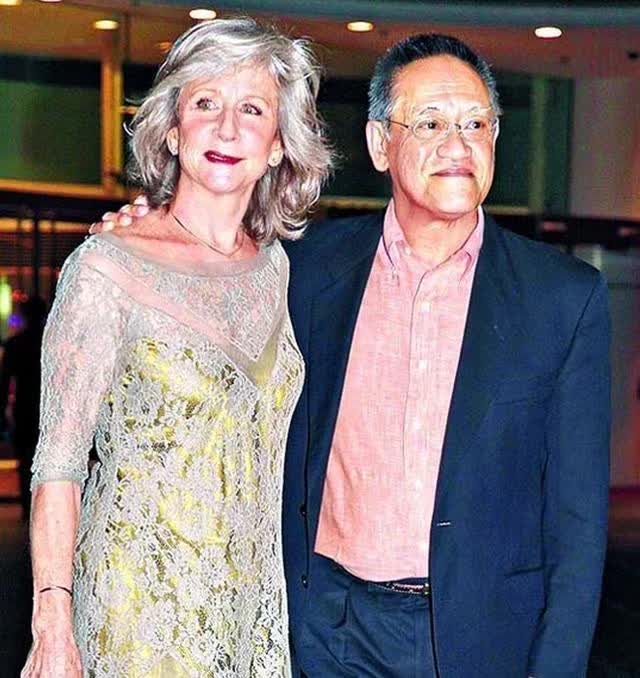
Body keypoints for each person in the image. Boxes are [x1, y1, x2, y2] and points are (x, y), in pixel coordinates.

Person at [96, 33, 610, 678]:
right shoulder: (303, 270)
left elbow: (577, 527)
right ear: (378, 144)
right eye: (430, 123)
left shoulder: (562, 298)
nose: (458, 145)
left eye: (475, 124)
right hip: (328, 629)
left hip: (481, 637)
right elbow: (203, 274)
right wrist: (141, 229)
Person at [22, 18, 331, 678]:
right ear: (171, 129)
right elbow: (58, 462)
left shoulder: (278, 269)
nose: (227, 129)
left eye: (252, 110)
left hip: (251, 613)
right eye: (205, 104)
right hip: (139, 614)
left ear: (279, 144)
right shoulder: (106, 268)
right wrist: (52, 625)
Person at [0, 296, 47, 518]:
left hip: (25, 406)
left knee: (25, 458)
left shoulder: (16, 344)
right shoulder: (50, 342)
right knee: (45, 458)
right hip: (45, 407)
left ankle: (29, 507)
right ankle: (40, 505)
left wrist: (2, 410)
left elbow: (5, 380)